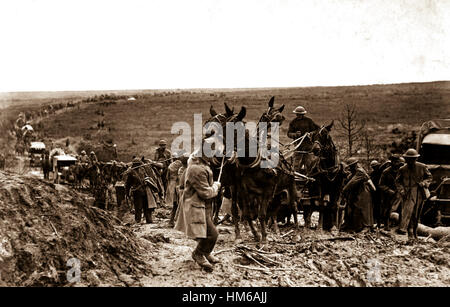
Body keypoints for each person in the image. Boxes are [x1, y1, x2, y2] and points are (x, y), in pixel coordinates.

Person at [175, 151, 222, 271]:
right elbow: (205, 193)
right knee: (212, 234)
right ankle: (198, 253)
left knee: (207, 232)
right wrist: (216, 187)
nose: (214, 155)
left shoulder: (204, 165)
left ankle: (206, 253)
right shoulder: (196, 169)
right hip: (196, 205)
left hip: (203, 206)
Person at [395, 148, 432, 242]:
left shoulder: (422, 167)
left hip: (419, 193)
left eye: (413, 159)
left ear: (416, 158)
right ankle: (410, 233)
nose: (411, 161)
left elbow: (429, 177)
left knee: (417, 213)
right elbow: (397, 181)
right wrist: (402, 190)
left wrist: (424, 183)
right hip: (407, 193)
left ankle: (415, 233)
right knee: (408, 212)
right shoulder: (402, 169)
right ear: (406, 159)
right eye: (408, 159)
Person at [341, 157, 375, 233]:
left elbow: (351, 183)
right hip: (357, 193)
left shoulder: (360, 172)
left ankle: (367, 226)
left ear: (355, 165)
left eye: (351, 166)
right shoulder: (353, 172)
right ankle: (352, 225)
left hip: (364, 193)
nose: (350, 167)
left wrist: (344, 190)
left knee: (364, 210)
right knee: (354, 209)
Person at [287, 106, 320, 172]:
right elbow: (289, 133)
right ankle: (296, 178)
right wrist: (295, 135)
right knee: (296, 166)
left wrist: (311, 134)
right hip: (298, 147)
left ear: (303, 114)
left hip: (308, 147)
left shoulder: (309, 121)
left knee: (310, 164)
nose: (298, 116)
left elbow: (317, 129)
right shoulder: (293, 122)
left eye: (300, 114)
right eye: (297, 114)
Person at [125, 158, 158, 224]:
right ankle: (138, 220)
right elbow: (128, 184)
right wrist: (127, 193)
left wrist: (147, 181)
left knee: (147, 206)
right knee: (138, 207)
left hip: (145, 190)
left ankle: (149, 220)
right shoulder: (131, 173)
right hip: (137, 191)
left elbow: (146, 177)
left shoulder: (142, 170)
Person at [378, 155, 403, 231]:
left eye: (398, 161)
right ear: (392, 162)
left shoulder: (402, 171)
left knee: (401, 210)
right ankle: (386, 225)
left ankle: (401, 227)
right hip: (388, 195)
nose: (397, 163)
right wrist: (388, 190)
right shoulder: (386, 172)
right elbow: (380, 184)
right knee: (387, 210)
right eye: (395, 162)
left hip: (400, 193)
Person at [166, 152, 184, 227]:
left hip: (172, 185)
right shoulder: (182, 165)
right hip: (180, 185)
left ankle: (171, 221)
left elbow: (167, 177)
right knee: (180, 204)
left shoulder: (170, 166)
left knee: (175, 204)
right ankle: (178, 222)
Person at [369, 160, 383, 228]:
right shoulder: (372, 174)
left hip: (380, 192)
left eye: (376, 166)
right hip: (374, 193)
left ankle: (380, 222)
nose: (375, 168)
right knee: (375, 208)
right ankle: (375, 222)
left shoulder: (381, 172)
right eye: (373, 167)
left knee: (379, 208)